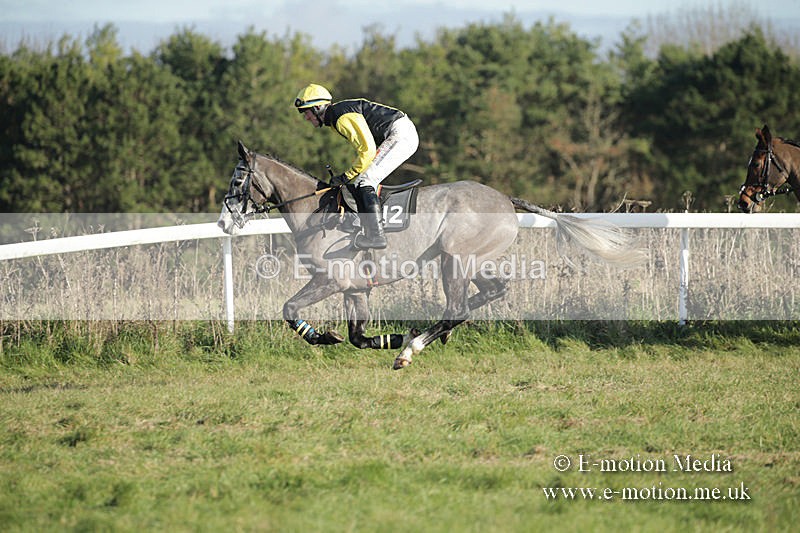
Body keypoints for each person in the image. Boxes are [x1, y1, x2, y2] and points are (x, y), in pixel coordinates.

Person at [294, 83, 419, 250]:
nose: (306, 118)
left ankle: (376, 236)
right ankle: (364, 222)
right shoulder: (335, 118)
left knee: (365, 180)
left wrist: (346, 175)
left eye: (307, 112)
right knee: (358, 180)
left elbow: (367, 151)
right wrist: (349, 177)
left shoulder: (341, 117)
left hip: (401, 134)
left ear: (318, 108)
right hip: (397, 132)